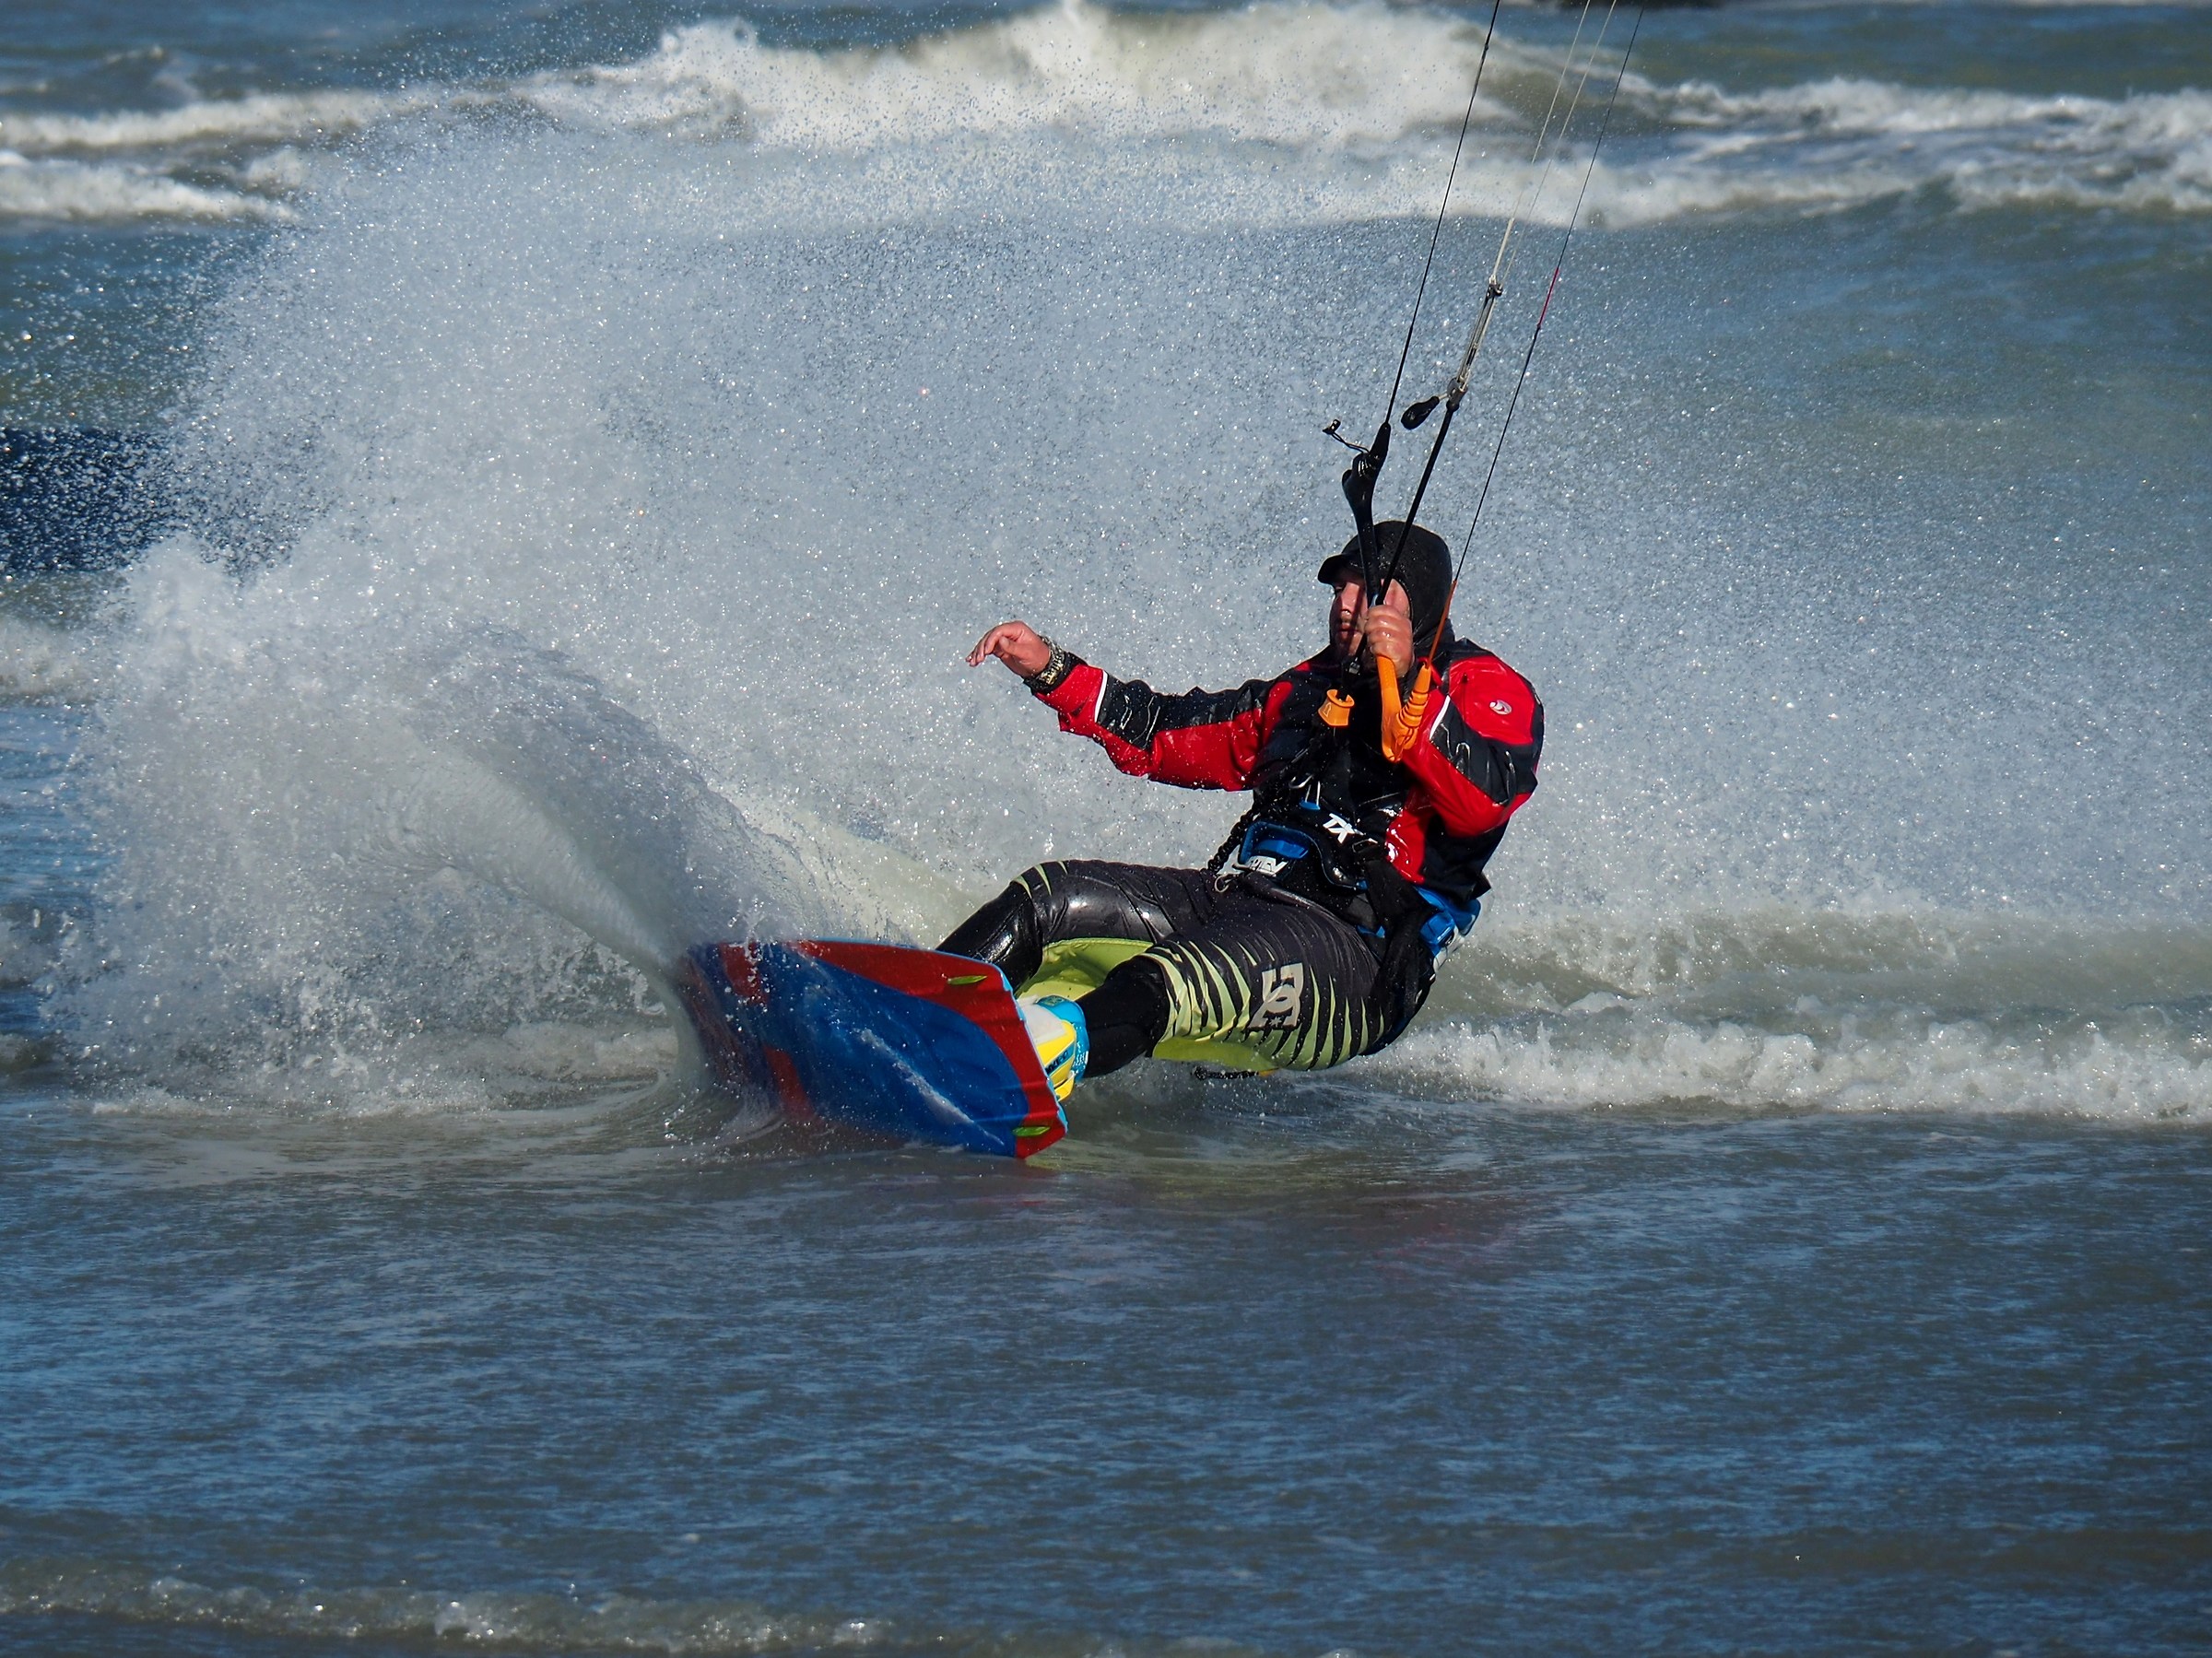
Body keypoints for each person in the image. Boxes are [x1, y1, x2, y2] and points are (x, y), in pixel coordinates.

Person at [944, 521, 1541, 1100]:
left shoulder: (1481, 687)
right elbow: (1162, 731)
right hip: (1242, 903)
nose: (1346, 603)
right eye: (1341, 586)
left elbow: (1483, 802)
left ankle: (1018, 1073)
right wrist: (1052, 669)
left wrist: (1411, 683)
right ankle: (914, 1007)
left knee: (1178, 978)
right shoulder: (1306, 690)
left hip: (1361, 959)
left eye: (1370, 589)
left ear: (1426, 602)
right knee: (1046, 897)